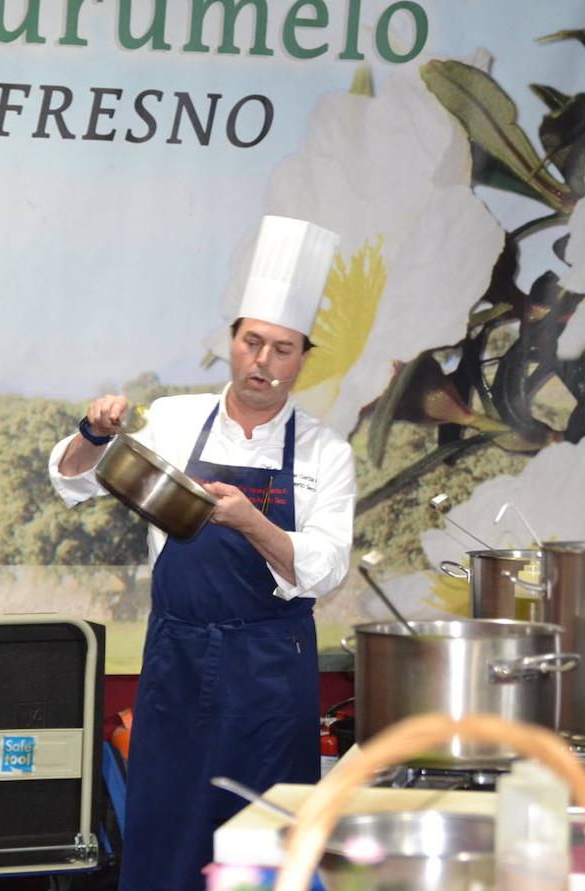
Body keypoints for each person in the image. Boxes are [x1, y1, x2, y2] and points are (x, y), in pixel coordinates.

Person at [48, 215, 356, 891]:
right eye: (252, 344)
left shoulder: (325, 451)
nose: (263, 364)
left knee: (267, 842)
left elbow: (324, 568)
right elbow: (71, 481)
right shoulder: (175, 419)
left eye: (282, 349)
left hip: (274, 673)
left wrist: (252, 523)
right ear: (232, 343)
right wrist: (93, 433)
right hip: (180, 660)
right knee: (167, 835)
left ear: (304, 357)